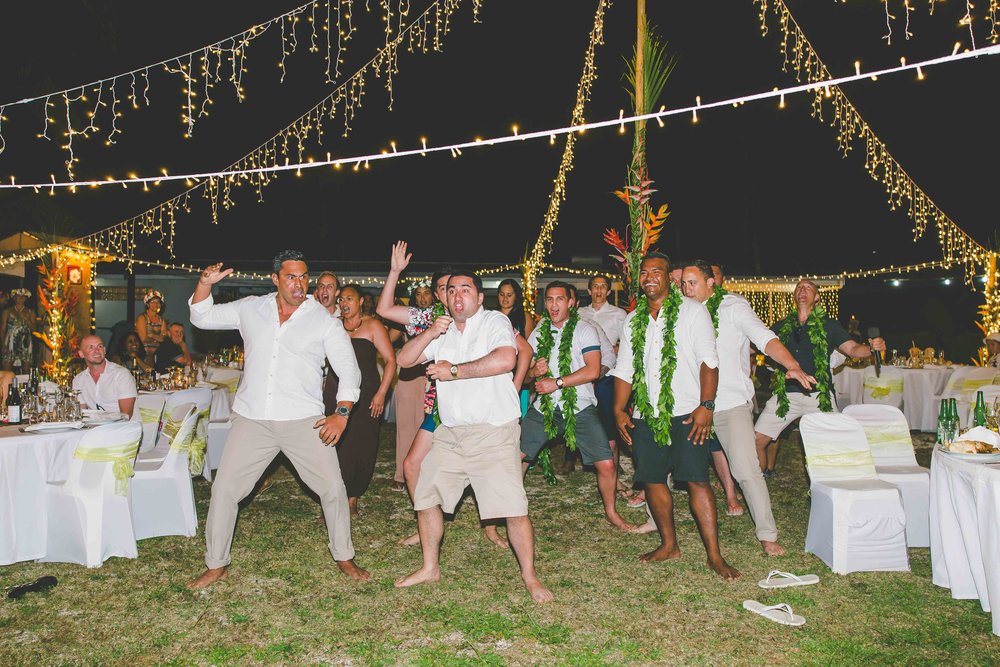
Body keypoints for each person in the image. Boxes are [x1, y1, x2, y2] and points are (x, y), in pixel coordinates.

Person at [186, 251, 367, 590]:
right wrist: (203, 284)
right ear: (275, 279)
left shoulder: (323, 321)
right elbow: (201, 316)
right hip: (252, 418)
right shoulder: (251, 308)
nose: (299, 284)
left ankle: (344, 555)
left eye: (303, 277)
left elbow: (350, 372)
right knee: (225, 489)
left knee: (332, 488)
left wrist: (341, 415)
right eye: (291, 277)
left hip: (303, 421)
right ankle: (216, 564)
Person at [394, 270, 553, 603]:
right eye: (451, 290)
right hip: (450, 433)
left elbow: (506, 358)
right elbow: (403, 360)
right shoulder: (442, 329)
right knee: (426, 496)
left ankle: (531, 577)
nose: (457, 296)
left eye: (465, 290)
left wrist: (453, 371)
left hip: (493, 432)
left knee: (513, 508)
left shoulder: (494, 322)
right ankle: (429, 567)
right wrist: (429, 335)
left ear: (479, 298)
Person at [611, 252, 740, 581]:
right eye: (644, 272)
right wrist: (619, 408)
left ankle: (714, 555)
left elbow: (709, 362)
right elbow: (625, 369)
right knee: (652, 480)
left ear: (670, 278)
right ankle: (669, 544)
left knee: (697, 479)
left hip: (687, 413)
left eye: (658, 271)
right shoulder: (633, 320)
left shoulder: (693, 312)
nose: (650, 276)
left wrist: (705, 406)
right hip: (646, 414)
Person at [681, 261, 816, 556]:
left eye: (693, 283)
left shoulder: (733, 308)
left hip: (729, 404)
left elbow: (765, 338)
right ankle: (658, 525)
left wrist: (792, 366)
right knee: (667, 464)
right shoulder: (679, 312)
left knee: (746, 470)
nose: (686, 289)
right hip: (689, 405)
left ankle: (767, 535)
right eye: (683, 283)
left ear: (711, 283)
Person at [521, 281, 637, 532]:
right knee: (516, 458)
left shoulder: (585, 329)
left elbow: (594, 370)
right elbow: (526, 375)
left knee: (606, 464)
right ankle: (513, 511)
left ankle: (612, 513)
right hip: (544, 407)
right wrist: (533, 371)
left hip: (580, 406)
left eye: (559, 299)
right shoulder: (539, 332)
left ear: (571, 302)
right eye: (549, 300)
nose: (553, 305)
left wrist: (557, 383)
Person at [753, 279, 886, 476]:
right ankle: (755, 487)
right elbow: (757, 345)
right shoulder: (781, 326)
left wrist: (871, 348)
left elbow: (852, 349)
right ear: (794, 296)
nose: (802, 290)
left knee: (832, 446)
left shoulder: (830, 326)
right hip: (786, 395)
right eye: (799, 287)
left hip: (819, 396)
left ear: (816, 297)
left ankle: (834, 484)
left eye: (808, 287)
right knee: (757, 440)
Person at [326, 284, 397, 515]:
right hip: (336, 391)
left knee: (363, 442)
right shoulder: (333, 326)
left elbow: (390, 361)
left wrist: (382, 393)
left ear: (360, 302)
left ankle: (353, 495)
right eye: (341, 300)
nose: (344, 303)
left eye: (349, 299)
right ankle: (334, 494)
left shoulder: (373, 325)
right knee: (335, 442)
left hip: (367, 392)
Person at [576, 275, 628, 477]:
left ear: (608, 291)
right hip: (582, 371)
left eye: (603, 287)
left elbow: (626, 342)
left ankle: (612, 461)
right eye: (595, 287)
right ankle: (583, 457)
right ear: (589, 291)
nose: (598, 290)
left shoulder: (619, 314)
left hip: (607, 373)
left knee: (608, 417)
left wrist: (617, 349)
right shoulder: (580, 312)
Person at [72, 335, 138, 417]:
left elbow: (125, 416)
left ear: (104, 350)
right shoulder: (78, 380)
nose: (97, 351)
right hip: (95, 427)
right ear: (81, 354)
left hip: (122, 428)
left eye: (100, 346)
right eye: (91, 347)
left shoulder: (121, 375)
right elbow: (80, 414)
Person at [2, 287, 36, 373]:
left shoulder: (30, 311)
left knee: (26, 370)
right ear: (14, 298)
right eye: (18, 296)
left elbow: (34, 330)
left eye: (23, 296)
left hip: (25, 342)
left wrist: (26, 319)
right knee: (7, 368)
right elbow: (2, 329)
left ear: (26, 298)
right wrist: (2, 344)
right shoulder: (8, 311)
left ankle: (26, 385)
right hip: (10, 341)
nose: (21, 298)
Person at [136, 290, 166, 364]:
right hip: (143, 354)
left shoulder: (161, 320)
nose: (155, 304)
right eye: (153, 302)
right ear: (148, 304)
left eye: (158, 302)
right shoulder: (142, 318)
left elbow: (164, 339)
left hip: (158, 355)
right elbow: (144, 339)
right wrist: (158, 338)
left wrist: (151, 335)